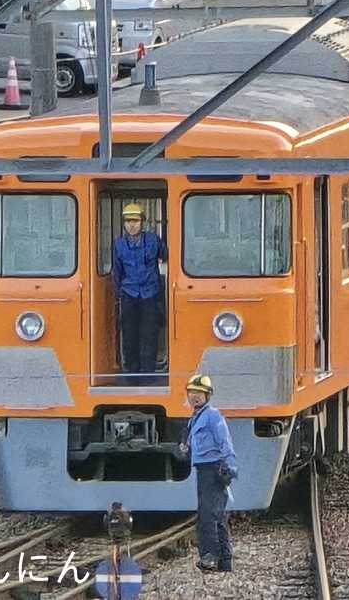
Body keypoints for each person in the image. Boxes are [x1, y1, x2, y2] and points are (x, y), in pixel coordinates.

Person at [179, 375, 237, 572]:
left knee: (208, 515)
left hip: (214, 468)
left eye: (198, 393)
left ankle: (209, 556)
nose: (194, 397)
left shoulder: (213, 416)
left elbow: (224, 440)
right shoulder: (194, 418)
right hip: (202, 469)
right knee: (216, 515)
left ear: (207, 396)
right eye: (191, 393)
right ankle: (225, 561)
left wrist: (228, 465)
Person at [112, 204, 167, 384]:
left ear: (142, 222)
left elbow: (165, 256)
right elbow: (117, 271)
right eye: (128, 221)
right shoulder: (119, 245)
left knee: (149, 334)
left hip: (150, 294)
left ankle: (148, 373)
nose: (131, 225)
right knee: (130, 334)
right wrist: (119, 291)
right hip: (129, 294)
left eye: (135, 221)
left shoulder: (153, 240)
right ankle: (132, 373)